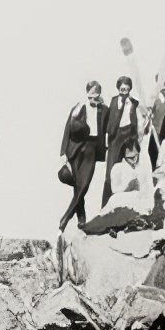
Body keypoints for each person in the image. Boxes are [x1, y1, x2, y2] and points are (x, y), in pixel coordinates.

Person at [58, 81, 108, 232]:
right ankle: (81, 219)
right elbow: (67, 129)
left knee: (84, 186)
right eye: (91, 97)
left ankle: (65, 219)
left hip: (92, 149)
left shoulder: (104, 110)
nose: (93, 100)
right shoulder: (79, 108)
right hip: (76, 149)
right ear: (87, 94)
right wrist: (63, 153)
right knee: (77, 186)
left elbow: (114, 123)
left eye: (96, 97)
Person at [103, 75, 141, 205]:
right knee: (111, 171)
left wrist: (134, 138)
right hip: (116, 137)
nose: (124, 92)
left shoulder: (134, 103)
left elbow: (136, 120)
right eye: (122, 89)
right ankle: (106, 205)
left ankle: (127, 204)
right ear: (118, 89)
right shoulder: (114, 101)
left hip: (129, 135)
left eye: (126, 90)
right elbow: (110, 121)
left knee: (130, 169)